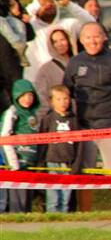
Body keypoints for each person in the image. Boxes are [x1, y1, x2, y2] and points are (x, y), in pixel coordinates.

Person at [63, 22, 111, 212]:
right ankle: (85, 216)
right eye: (88, 37)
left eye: (96, 36)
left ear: (104, 37)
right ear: (81, 40)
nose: (92, 41)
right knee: (84, 175)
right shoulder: (75, 62)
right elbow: (65, 94)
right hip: (84, 128)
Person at [24, 0, 95, 80]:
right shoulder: (29, 26)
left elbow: (91, 24)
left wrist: (69, 5)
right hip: (35, 80)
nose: (49, 5)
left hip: (64, 81)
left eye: (51, 2)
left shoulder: (68, 25)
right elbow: (18, 17)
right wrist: (37, 3)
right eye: (44, 3)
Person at [37, 84, 83, 213]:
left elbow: (79, 144)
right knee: (53, 197)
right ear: (51, 101)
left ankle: (64, 222)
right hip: (52, 162)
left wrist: (76, 164)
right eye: (58, 99)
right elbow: (42, 142)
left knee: (65, 198)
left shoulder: (73, 120)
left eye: (65, 99)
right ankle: (51, 220)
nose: (63, 102)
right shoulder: (48, 119)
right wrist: (41, 163)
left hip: (68, 163)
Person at [1, 79, 41, 212]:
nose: (27, 99)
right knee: (18, 201)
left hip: (31, 162)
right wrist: (13, 163)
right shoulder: (12, 112)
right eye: (23, 95)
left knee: (28, 199)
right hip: (17, 163)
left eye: (30, 95)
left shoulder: (34, 114)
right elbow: (5, 138)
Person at [34, 26, 77, 114]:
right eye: (55, 42)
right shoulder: (45, 70)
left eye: (62, 39)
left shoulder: (81, 63)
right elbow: (42, 99)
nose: (60, 44)